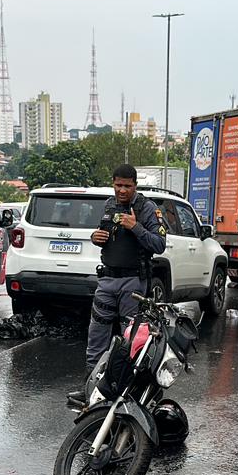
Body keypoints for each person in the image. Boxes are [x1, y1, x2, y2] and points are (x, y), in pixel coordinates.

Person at [67, 165, 167, 403]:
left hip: (133, 284)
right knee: (96, 338)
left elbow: (159, 244)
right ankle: (90, 390)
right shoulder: (110, 205)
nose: (122, 190)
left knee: (129, 342)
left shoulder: (147, 209)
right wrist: (96, 238)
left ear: (135, 185)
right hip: (107, 280)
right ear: (113, 183)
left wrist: (136, 227)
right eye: (118, 185)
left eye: (127, 186)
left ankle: (125, 392)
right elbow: (106, 236)